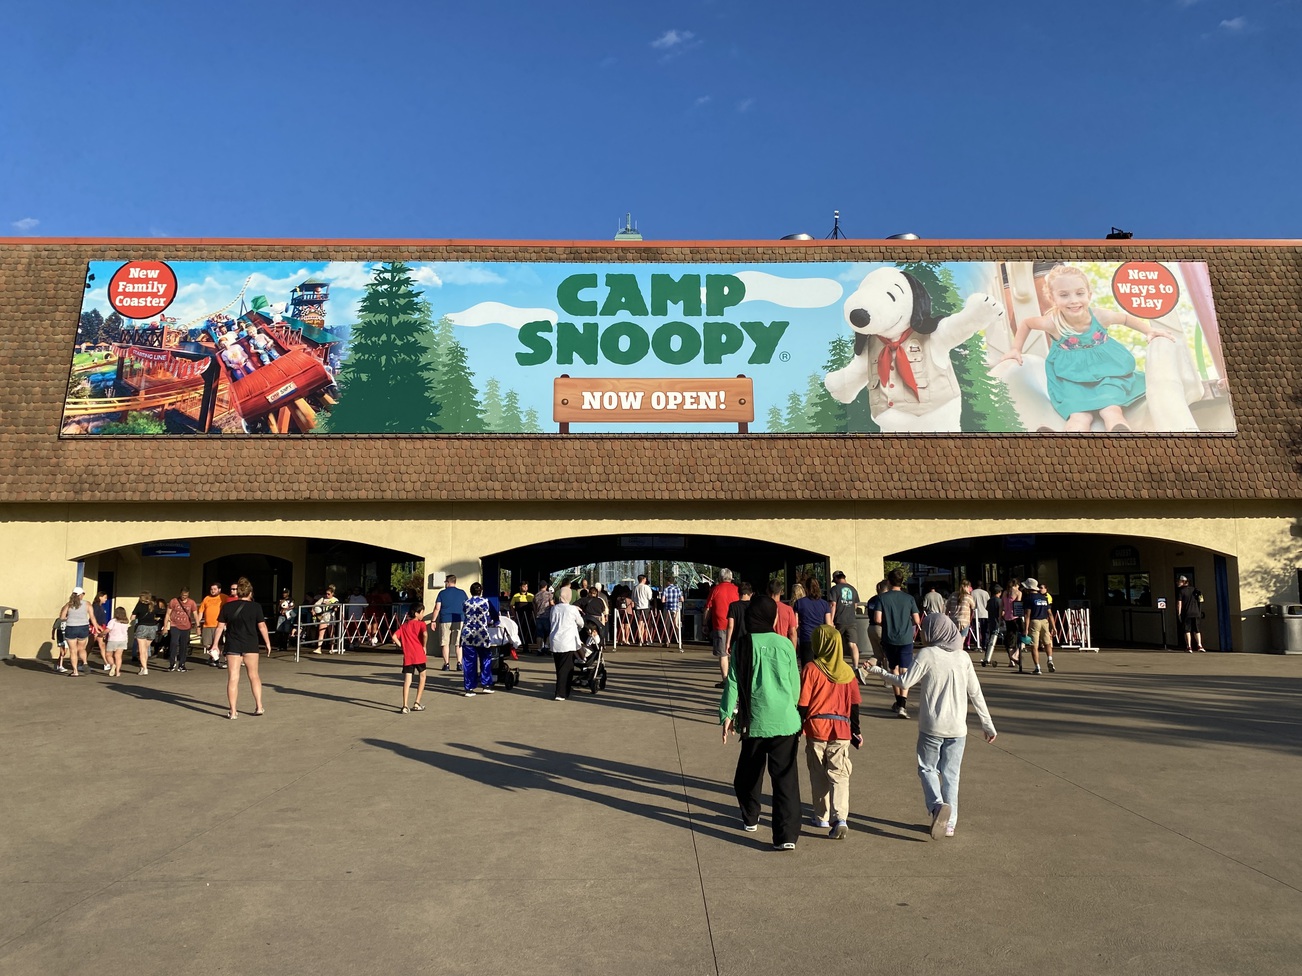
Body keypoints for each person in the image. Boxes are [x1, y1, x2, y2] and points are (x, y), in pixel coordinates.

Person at [998, 263, 1175, 432]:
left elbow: (1126, 319)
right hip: (1072, 379)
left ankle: (1120, 433)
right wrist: (1016, 349)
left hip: (1108, 374)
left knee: (1111, 410)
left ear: (1089, 295)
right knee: (1078, 416)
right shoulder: (1053, 322)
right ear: (1052, 298)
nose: (1073, 301)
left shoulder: (1100, 316)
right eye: (1064, 295)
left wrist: (1149, 331)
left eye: (1079, 293)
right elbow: (1027, 323)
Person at [867, 614, 997, 839]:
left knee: (927, 768)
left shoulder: (927, 654)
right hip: (958, 729)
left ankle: (937, 806)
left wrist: (880, 672)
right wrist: (988, 724)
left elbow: (905, 682)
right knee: (951, 775)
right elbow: (975, 692)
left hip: (932, 727)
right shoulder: (963, 657)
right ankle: (950, 824)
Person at [719, 595, 802, 850]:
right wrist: (791, 707)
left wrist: (726, 715)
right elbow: (795, 685)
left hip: (754, 721)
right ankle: (786, 836)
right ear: (773, 617)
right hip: (785, 721)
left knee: (748, 774)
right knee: (785, 779)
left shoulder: (743, 644)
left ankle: (751, 816)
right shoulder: (785, 645)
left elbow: (732, 681)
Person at [798, 625, 863, 839]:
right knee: (839, 774)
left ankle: (822, 816)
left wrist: (798, 727)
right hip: (842, 729)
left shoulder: (811, 669)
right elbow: (854, 705)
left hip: (816, 728)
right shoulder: (848, 672)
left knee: (818, 773)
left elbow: (804, 704)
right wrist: (856, 731)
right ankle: (840, 817)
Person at [211, 577, 271, 719]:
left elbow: (220, 627)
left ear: (237, 592)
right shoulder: (256, 607)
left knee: (233, 678)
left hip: (233, 644)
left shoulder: (227, 607)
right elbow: (262, 626)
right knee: (254, 676)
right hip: (250, 644)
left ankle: (233, 711)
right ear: (250, 592)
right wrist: (267, 643)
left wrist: (215, 644)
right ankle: (259, 706)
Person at [874, 568, 921, 718]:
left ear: (888, 581)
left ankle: (898, 701)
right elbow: (917, 620)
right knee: (905, 670)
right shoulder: (909, 599)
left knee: (893, 668)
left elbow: (877, 619)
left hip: (889, 637)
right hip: (906, 638)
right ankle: (903, 704)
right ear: (902, 582)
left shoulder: (882, 598)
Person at [459, 582, 497, 698]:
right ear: (481, 591)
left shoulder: (466, 603)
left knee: (469, 661)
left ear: (471, 592)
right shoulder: (486, 602)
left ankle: (469, 688)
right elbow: (495, 617)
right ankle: (486, 684)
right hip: (481, 634)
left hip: (467, 634)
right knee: (485, 659)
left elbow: (466, 614)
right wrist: (493, 622)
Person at [548, 585, 584, 700]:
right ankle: (561, 693)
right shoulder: (572, 609)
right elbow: (581, 623)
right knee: (566, 668)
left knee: (559, 668)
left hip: (555, 641)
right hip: (567, 642)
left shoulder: (554, 609)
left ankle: (562, 689)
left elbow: (552, 621)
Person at [704, 569, 740, 686]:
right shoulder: (737, 590)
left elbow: (708, 608)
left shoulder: (715, 589)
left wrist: (705, 623)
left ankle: (725, 680)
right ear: (731, 578)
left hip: (720, 624)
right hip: (735, 625)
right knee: (736, 652)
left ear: (720, 578)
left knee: (723, 653)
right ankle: (736, 678)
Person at [394, 602, 428, 712]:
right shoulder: (421, 624)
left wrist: (402, 646)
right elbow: (425, 634)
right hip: (419, 654)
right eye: (422, 612)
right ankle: (417, 702)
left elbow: (394, 636)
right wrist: (424, 645)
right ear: (417, 613)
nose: (423, 615)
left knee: (407, 680)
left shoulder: (404, 625)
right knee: (422, 677)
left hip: (408, 655)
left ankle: (404, 705)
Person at [59, 586, 100, 677]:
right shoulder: (87, 604)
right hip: (83, 627)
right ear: (81, 594)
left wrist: (68, 618)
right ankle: (85, 662)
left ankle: (75, 671)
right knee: (81, 648)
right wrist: (96, 628)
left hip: (71, 627)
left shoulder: (69, 604)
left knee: (73, 651)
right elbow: (92, 617)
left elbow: (61, 617)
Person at [791, 577, 832, 666]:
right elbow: (829, 624)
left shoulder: (799, 603)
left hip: (806, 638)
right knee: (821, 667)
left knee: (807, 667)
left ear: (806, 588)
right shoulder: (824, 604)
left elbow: (796, 624)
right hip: (820, 638)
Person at [828, 571, 862, 670]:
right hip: (851, 620)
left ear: (836, 578)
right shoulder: (853, 589)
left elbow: (832, 605)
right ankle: (855, 666)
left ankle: (837, 666)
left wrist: (831, 620)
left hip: (839, 620)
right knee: (852, 644)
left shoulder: (834, 589)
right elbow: (855, 605)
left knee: (837, 644)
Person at [432, 575, 467, 671]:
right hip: (459, 619)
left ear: (448, 582)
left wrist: (433, 620)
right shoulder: (462, 593)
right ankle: (459, 663)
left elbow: (437, 608)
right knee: (458, 643)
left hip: (445, 619)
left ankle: (446, 664)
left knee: (445, 643)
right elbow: (466, 606)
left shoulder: (442, 593)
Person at [1021, 577, 1054, 674]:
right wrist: (1054, 627)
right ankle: (1050, 659)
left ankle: (1037, 667)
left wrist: (1026, 629)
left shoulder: (1028, 598)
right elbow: (1050, 613)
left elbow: (1027, 615)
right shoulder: (1043, 597)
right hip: (1045, 621)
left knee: (1034, 645)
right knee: (1047, 642)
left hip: (1034, 622)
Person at [723, 583, 754, 684]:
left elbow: (730, 625)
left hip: (737, 640)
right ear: (751, 594)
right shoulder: (754, 605)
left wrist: (727, 643)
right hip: (752, 639)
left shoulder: (733, 606)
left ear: (739, 593)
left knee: (737, 667)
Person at [163, 587, 199, 672]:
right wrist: (165, 627)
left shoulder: (191, 603)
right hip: (174, 625)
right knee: (173, 643)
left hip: (186, 626)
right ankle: (172, 663)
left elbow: (195, 615)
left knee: (184, 646)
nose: (184, 597)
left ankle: (182, 664)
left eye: (186, 596)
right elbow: (168, 614)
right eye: (183, 595)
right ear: (180, 594)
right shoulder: (174, 601)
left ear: (188, 595)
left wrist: (198, 627)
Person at [198, 583, 229, 667]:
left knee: (218, 643)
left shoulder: (224, 597)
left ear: (219, 589)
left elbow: (229, 609)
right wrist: (198, 622)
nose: (212, 591)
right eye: (211, 589)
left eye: (215, 589)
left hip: (219, 625)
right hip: (207, 625)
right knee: (206, 643)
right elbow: (201, 611)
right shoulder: (206, 598)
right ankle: (215, 658)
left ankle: (216, 659)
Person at [1176, 574, 1206, 652]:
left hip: (1187, 613)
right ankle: (1199, 645)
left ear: (1183, 582)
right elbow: (1201, 600)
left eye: (1179, 581)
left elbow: (1179, 603)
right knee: (1197, 630)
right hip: (1196, 613)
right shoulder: (1195, 590)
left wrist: (1178, 613)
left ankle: (1189, 647)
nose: (1177, 583)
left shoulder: (1181, 591)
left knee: (1187, 630)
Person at [130, 590, 157, 675]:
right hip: (152, 628)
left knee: (142, 650)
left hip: (142, 627)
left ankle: (145, 668)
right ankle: (143, 666)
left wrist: (138, 615)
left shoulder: (139, 605)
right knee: (145, 649)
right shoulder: (153, 605)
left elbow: (132, 618)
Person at [767, 580, 800, 649]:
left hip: (767, 646)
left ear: (768, 591)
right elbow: (792, 633)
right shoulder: (788, 609)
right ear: (780, 592)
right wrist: (793, 652)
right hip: (783, 646)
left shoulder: (763, 608)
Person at [1001, 579, 1025, 670]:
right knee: (1023, 636)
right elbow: (1017, 605)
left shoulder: (1005, 593)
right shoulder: (1018, 593)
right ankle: (1016, 654)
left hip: (1007, 617)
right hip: (1015, 617)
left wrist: (1000, 617)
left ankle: (1011, 660)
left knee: (1011, 638)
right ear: (1016, 585)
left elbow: (1001, 606)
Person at [980, 584, 1005, 667]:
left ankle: (987, 656)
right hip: (998, 623)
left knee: (990, 640)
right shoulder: (999, 601)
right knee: (996, 641)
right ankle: (988, 658)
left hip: (991, 622)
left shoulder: (990, 601)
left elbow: (987, 609)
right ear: (999, 592)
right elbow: (1002, 612)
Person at [945, 580, 977, 644]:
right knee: (961, 641)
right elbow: (973, 607)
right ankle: (959, 651)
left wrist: (946, 616)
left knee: (954, 639)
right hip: (964, 621)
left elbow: (947, 607)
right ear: (967, 587)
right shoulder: (968, 597)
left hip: (953, 620)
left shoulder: (953, 595)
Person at [312, 584, 340, 654]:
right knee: (321, 633)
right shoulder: (323, 598)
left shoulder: (335, 600)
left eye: (329, 594)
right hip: (324, 617)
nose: (327, 595)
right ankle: (319, 648)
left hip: (331, 617)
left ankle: (332, 648)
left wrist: (331, 605)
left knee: (331, 633)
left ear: (332, 594)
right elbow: (315, 604)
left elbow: (336, 608)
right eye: (326, 594)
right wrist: (314, 610)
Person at [103, 606, 130, 677]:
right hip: (123, 640)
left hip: (113, 640)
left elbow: (108, 630)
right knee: (118, 656)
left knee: (108, 655)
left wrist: (102, 634)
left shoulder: (113, 621)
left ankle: (112, 665)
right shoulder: (126, 622)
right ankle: (117, 672)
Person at [91, 591, 112, 671]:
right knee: (91, 644)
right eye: (105, 597)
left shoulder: (101, 606)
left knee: (102, 645)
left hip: (101, 626)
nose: (106, 599)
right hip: (96, 627)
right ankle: (82, 662)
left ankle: (106, 663)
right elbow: (93, 618)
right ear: (100, 597)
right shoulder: (95, 606)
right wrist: (98, 627)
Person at [660, 576, 684, 648]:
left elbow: (662, 600)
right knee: (676, 625)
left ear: (668, 582)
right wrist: (676, 601)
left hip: (667, 609)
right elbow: (682, 599)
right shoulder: (678, 589)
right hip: (676, 609)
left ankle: (667, 642)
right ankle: (680, 641)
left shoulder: (666, 589)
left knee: (667, 625)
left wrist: (668, 601)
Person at [510, 582, 535, 647]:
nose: (525, 588)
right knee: (519, 630)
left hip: (529, 616)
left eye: (526, 586)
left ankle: (527, 645)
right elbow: (512, 606)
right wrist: (514, 615)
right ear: (520, 587)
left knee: (528, 630)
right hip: (519, 616)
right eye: (524, 586)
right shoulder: (516, 596)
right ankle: (519, 644)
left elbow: (535, 605)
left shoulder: (531, 596)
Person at [532, 581, 554, 653]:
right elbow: (551, 604)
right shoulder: (549, 594)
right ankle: (547, 646)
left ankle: (539, 649)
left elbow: (534, 607)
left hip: (538, 616)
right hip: (547, 616)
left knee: (539, 634)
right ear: (546, 586)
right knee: (548, 632)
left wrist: (536, 614)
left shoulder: (536, 595)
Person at [632, 574, 653, 644]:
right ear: (643, 579)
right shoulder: (646, 587)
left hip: (638, 607)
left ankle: (640, 639)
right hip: (645, 607)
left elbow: (633, 598)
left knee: (640, 623)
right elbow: (649, 597)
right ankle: (646, 639)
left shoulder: (635, 588)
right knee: (646, 623)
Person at [970, 580, 991, 651]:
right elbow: (989, 603)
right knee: (985, 630)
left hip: (975, 615)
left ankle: (978, 644)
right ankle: (985, 644)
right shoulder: (985, 593)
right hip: (985, 614)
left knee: (977, 630)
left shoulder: (972, 593)